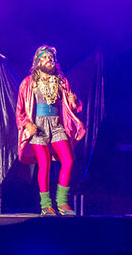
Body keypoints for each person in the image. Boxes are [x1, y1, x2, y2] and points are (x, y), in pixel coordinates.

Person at [16, 45, 85, 216]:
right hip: (38, 126)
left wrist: (74, 100)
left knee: (68, 160)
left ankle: (62, 203)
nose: (49, 60)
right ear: (38, 61)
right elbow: (20, 110)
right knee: (44, 163)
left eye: (51, 58)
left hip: (56, 124)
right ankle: (46, 205)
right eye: (46, 57)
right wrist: (27, 124)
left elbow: (71, 106)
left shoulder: (62, 81)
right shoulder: (28, 83)